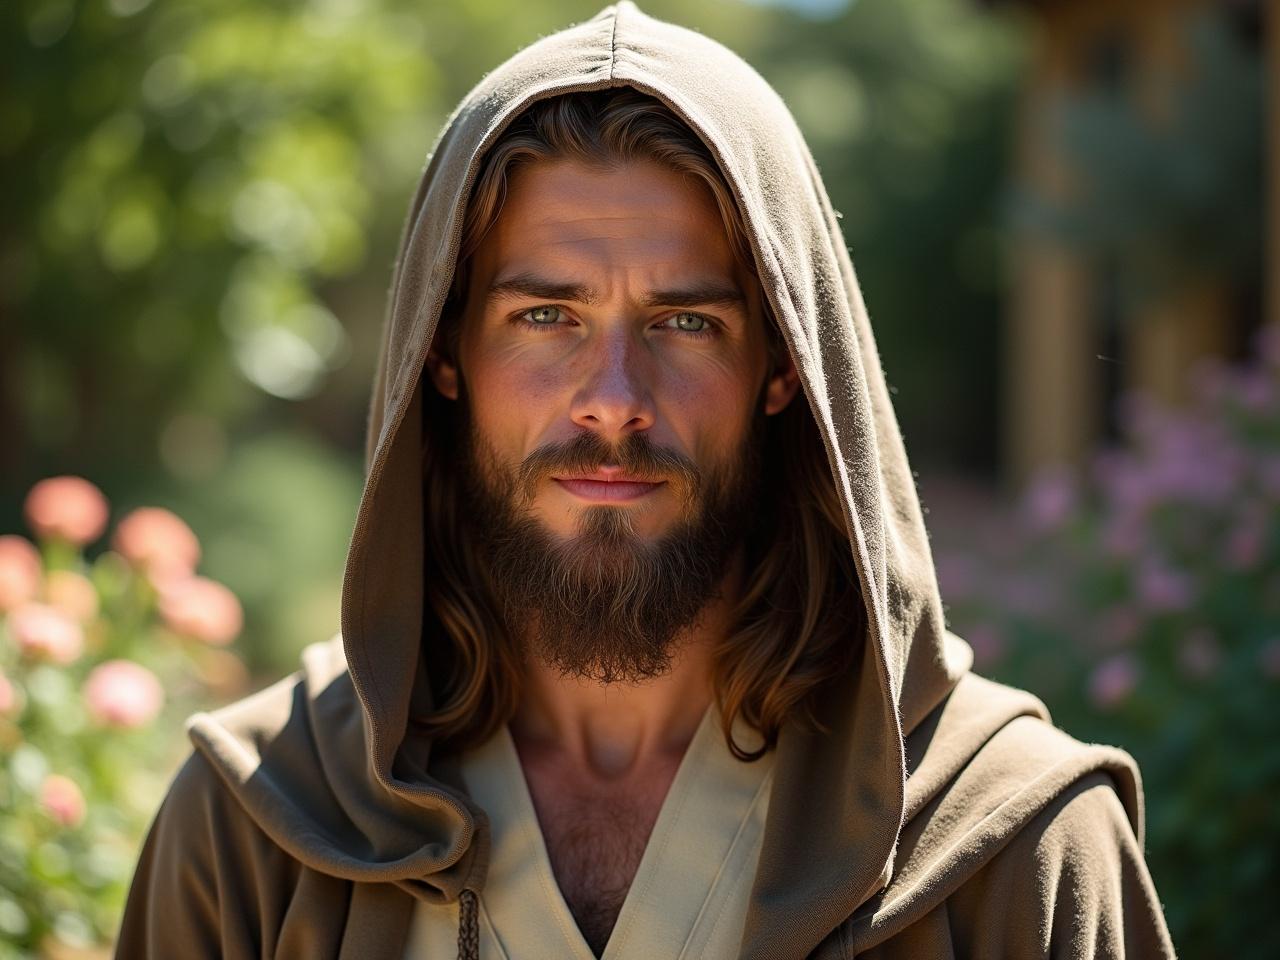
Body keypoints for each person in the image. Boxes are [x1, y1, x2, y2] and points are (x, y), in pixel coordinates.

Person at [115, 3, 1177, 958]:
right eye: (545, 317)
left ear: (780, 365)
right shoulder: (258, 830)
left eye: (683, 322)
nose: (612, 398)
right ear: (445, 359)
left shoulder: (1013, 848)